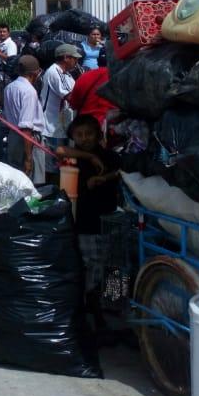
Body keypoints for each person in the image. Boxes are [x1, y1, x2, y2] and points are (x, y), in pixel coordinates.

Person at [57, 114, 120, 326]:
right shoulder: (74, 159)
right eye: (79, 135)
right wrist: (89, 157)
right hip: (85, 224)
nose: (84, 138)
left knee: (113, 267)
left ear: (98, 135)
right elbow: (59, 150)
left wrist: (103, 178)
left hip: (108, 221)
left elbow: (121, 171)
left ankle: (110, 307)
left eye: (89, 134)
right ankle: (93, 313)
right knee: (90, 271)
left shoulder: (108, 156)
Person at [0, 54, 46, 180]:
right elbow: (26, 127)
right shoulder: (29, 91)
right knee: (33, 181)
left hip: (13, 137)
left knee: (15, 178)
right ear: (35, 73)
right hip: (28, 141)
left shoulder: (9, 87)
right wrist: (29, 158)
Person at [39, 44, 80, 180]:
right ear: (66, 58)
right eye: (74, 58)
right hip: (51, 126)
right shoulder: (54, 72)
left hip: (62, 125)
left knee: (63, 165)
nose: (76, 62)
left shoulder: (66, 74)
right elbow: (70, 96)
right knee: (53, 165)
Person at [68, 65, 115, 129]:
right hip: (111, 126)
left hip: (86, 125)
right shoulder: (120, 76)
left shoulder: (84, 78)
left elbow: (73, 105)